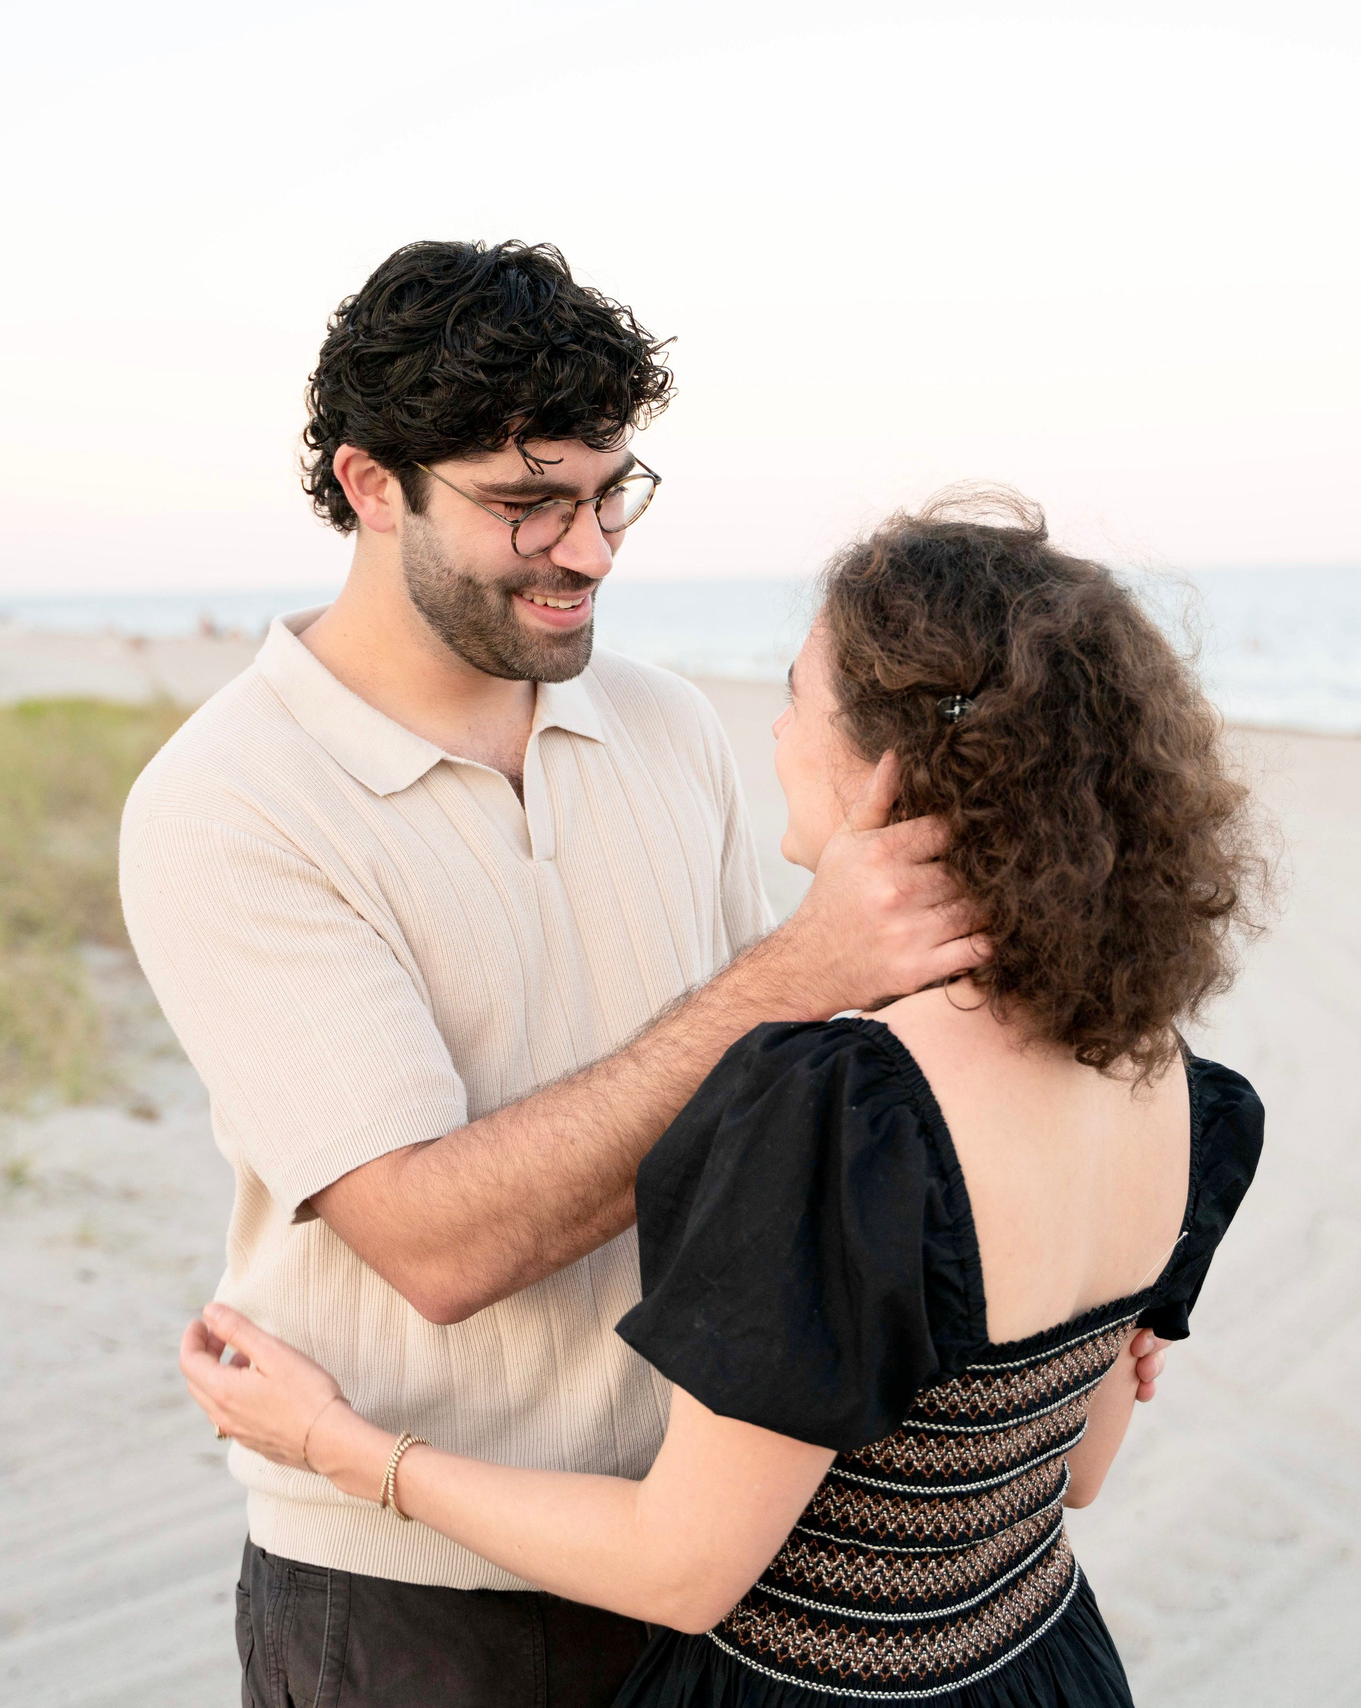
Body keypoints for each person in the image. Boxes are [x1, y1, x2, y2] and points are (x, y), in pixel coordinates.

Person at [122, 242, 1173, 1707]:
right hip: (425, 1595)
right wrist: (797, 970)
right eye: (526, 505)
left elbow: (843, 1107)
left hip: (737, 1552)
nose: (592, 548)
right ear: (371, 486)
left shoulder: (668, 725)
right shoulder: (231, 804)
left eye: (611, 490)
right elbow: (436, 1247)